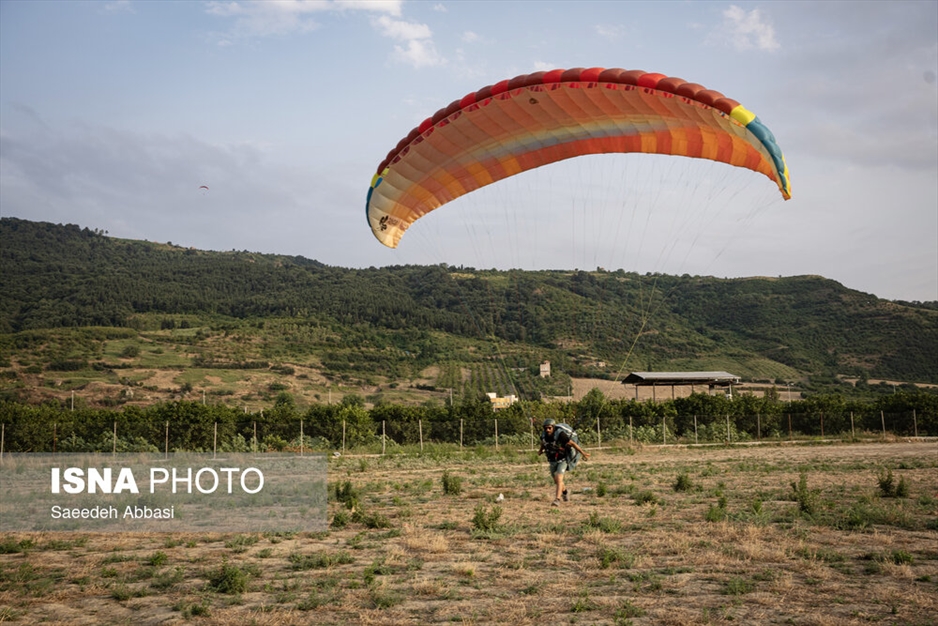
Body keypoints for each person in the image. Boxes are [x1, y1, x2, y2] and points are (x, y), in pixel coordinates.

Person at [538, 418, 589, 506]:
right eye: (545, 428)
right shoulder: (544, 435)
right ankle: (565, 492)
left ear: (553, 427)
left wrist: (583, 453)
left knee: (559, 478)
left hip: (563, 459)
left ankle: (557, 500)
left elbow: (572, 443)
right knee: (557, 481)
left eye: (549, 428)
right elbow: (543, 443)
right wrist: (540, 450)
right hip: (552, 460)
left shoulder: (560, 434)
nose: (547, 430)